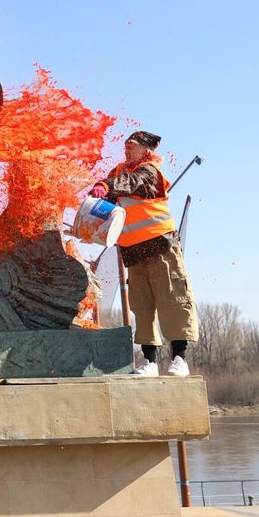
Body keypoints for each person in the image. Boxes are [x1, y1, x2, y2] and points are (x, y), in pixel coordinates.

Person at [90, 130, 199, 376]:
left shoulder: (150, 171)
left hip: (161, 246)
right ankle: (150, 362)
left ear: (146, 150)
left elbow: (130, 183)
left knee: (172, 300)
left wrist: (107, 185)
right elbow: (105, 197)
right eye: (125, 145)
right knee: (142, 307)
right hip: (134, 252)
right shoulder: (117, 173)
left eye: (132, 145)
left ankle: (179, 359)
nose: (126, 149)